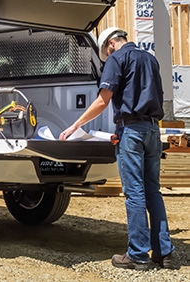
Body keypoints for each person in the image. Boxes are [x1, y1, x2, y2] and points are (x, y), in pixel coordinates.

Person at [59, 27, 174, 270]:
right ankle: (164, 253)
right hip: (153, 130)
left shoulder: (116, 58)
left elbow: (103, 100)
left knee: (135, 192)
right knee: (153, 191)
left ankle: (138, 254)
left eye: (105, 50)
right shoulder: (150, 59)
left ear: (111, 43)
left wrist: (74, 126)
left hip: (131, 131)